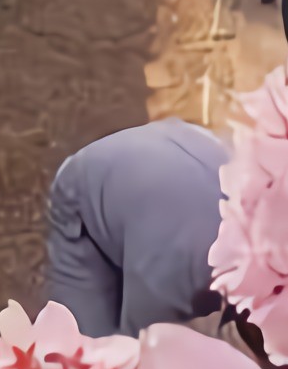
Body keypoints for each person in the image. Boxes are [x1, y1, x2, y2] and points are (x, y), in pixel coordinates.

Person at [46, 117, 228, 339]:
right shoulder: (176, 268)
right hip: (90, 182)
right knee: (89, 350)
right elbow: (145, 349)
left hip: (175, 154)